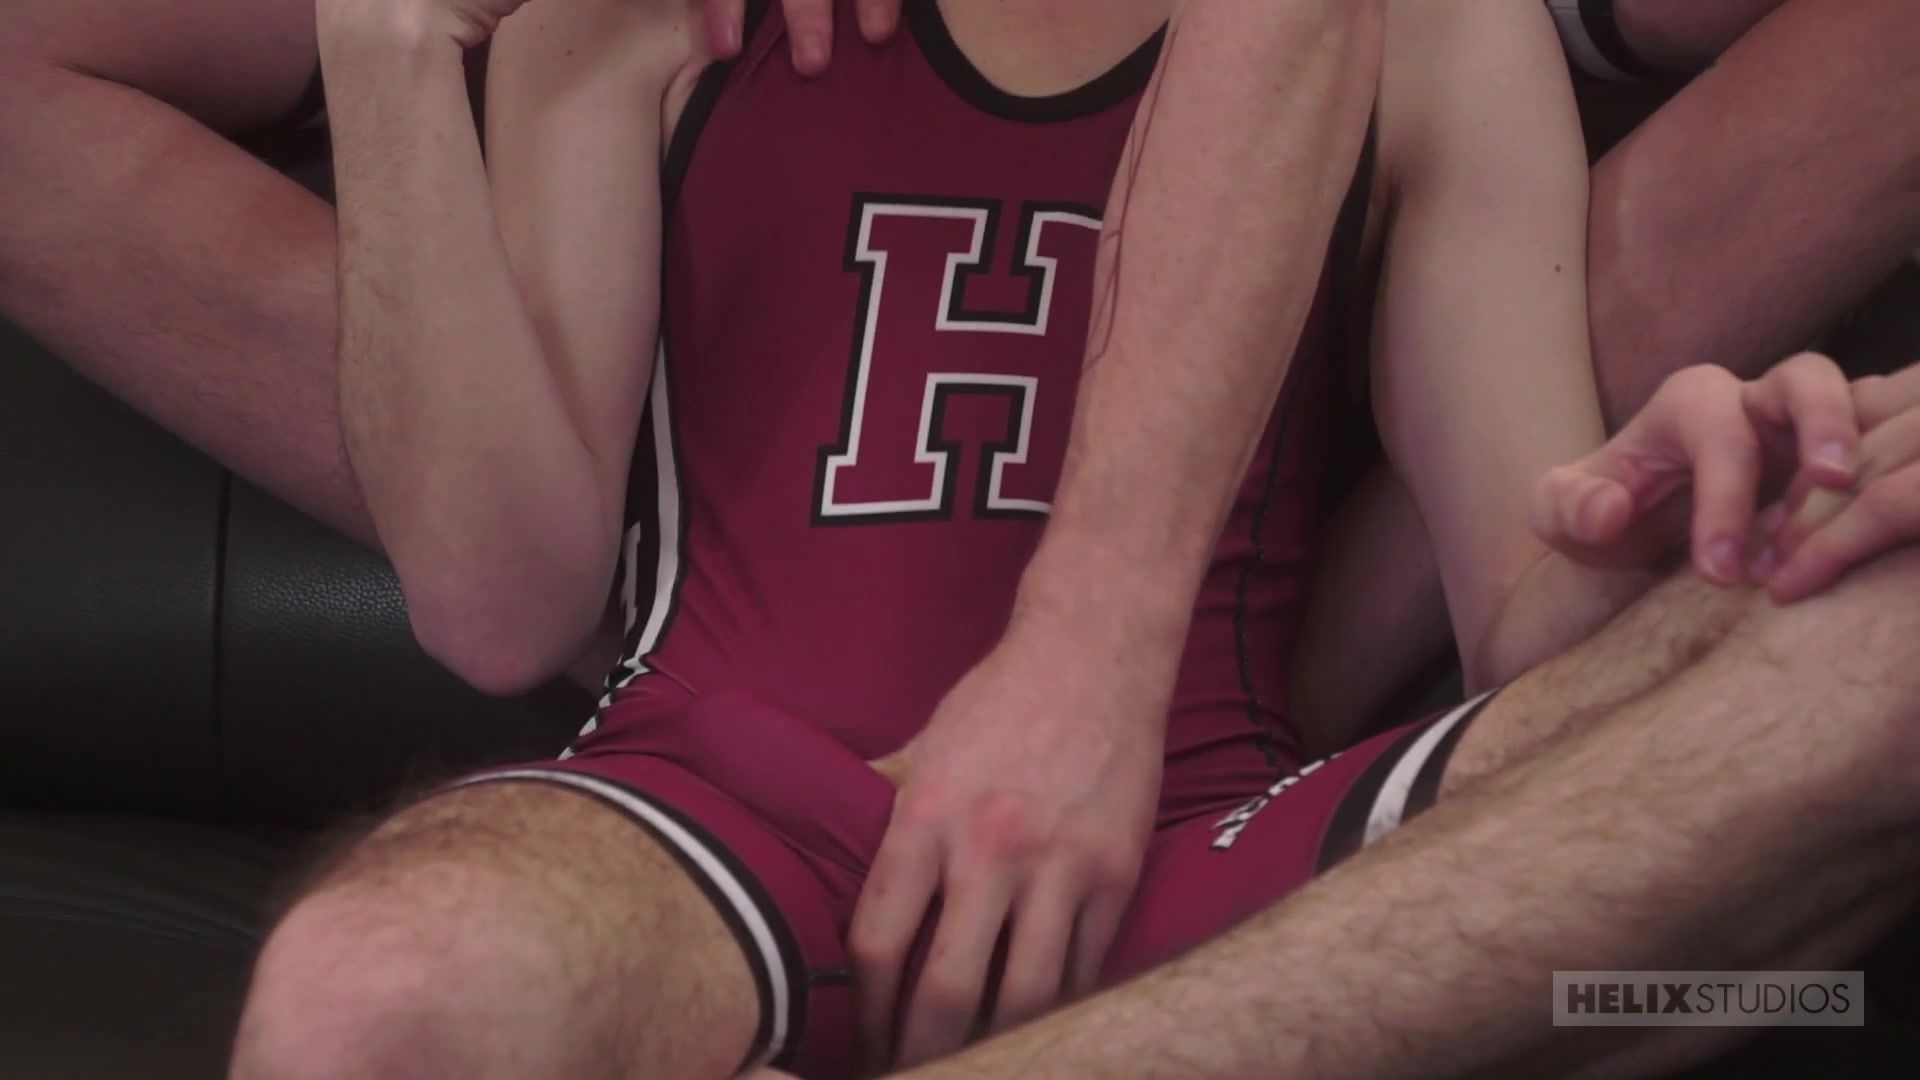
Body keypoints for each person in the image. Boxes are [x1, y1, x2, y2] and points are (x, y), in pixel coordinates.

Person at [232, 2, 1918, 1080]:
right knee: (367, 996)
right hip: (723, 810)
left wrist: (1704, 514)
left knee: (1876, 634)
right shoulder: (645, 27)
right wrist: (384, 62)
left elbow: (1529, 622)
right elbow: (498, 609)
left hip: (1203, 842)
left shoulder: (1433, 35)